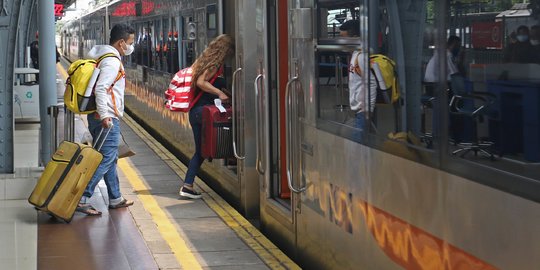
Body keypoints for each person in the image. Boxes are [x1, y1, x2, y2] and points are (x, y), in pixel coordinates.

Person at [77, 24, 136, 215]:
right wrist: (105, 116)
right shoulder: (112, 62)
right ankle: (82, 197)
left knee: (111, 158)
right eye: (130, 43)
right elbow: (102, 88)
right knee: (106, 157)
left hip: (99, 116)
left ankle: (115, 197)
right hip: (106, 117)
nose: (131, 46)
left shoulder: (101, 56)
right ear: (121, 43)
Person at [180, 34, 234, 199]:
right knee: (202, 151)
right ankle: (187, 186)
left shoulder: (205, 62)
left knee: (201, 151)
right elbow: (201, 83)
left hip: (197, 112)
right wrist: (219, 92)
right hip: (202, 113)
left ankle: (188, 185)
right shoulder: (214, 65)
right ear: (225, 50)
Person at [340, 20, 377, 134]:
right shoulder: (355, 55)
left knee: (358, 144)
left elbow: (371, 83)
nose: (342, 42)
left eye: (344, 38)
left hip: (362, 111)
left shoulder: (361, 57)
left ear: (355, 38)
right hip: (359, 110)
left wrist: (367, 109)